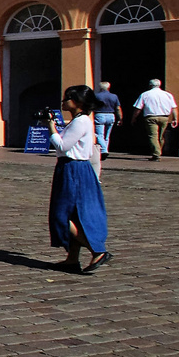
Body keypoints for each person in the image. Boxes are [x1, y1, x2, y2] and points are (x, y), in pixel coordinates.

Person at [47, 84, 110, 273]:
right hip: (72, 168)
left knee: (61, 215)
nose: (64, 101)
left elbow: (63, 146)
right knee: (74, 214)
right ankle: (72, 259)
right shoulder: (77, 120)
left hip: (73, 169)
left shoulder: (81, 121)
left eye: (67, 98)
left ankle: (97, 250)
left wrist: (51, 129)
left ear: (78, 102)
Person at [134, 78, 177, 162]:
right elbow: (174, 108)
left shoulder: (145, 94)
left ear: (150, 85)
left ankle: (156, 154)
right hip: (164, 117)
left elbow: (138, 108)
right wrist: (175, 118)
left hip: (151, 117)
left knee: (153, 136)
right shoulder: (167, 94)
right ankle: (157, 152)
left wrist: (134, 118)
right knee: (161, 136)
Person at [91, 81, 122, 158]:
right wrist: (120, 118)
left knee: (99, 134)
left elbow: (92, 106)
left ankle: (104, 150)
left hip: (100, 114)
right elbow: (118, 108)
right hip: (111, 115)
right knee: (107, 135)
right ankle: (105, 149)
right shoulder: (114, 96)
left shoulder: (96, 96)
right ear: (109, 87)